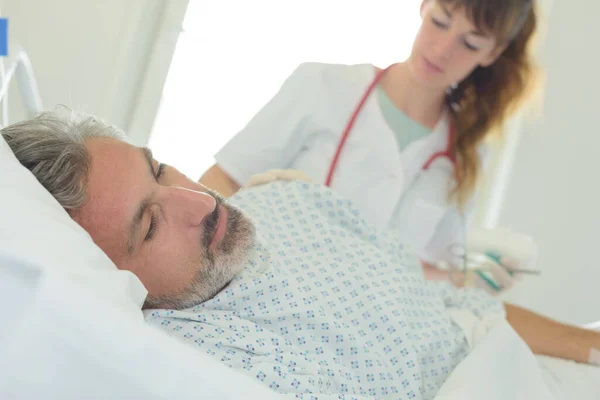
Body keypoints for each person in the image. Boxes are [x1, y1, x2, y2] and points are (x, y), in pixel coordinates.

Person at [2, 110, 598, 399]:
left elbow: (458, 305)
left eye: (158, 168)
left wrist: (591, 346)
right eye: (152, 223)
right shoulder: (191, 363)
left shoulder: (293, 201)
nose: (196, 201)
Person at [199, 0, 543, 293]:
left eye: (470, 43)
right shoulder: (325, 86)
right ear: (424, 6)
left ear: (493, 53)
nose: (442, 50)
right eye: (440, 22)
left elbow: (421, 271)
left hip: (362, 325)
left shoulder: (466, 157)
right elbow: (223, 179)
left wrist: (473, 276)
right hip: (266, 286)